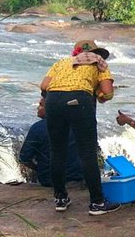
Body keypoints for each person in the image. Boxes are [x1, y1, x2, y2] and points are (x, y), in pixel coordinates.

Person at [39, 39, 119, 215]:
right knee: (87, 152)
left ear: (75, 52)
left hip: (53, 101)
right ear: (96, 52)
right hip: (79, 101)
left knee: (57, 151)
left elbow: (44, 86)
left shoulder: (61, 63)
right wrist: (98, 93)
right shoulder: (100, 63)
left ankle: (60, 199)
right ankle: (97, 203)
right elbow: (108, 93)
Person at [18, 97, 86, 188]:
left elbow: (24, 158)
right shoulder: (77, 125)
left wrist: (38, 169)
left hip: (49, 179)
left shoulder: (37, 128)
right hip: (76, 177)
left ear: (51, 108)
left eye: (41, 105)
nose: (38, 108)